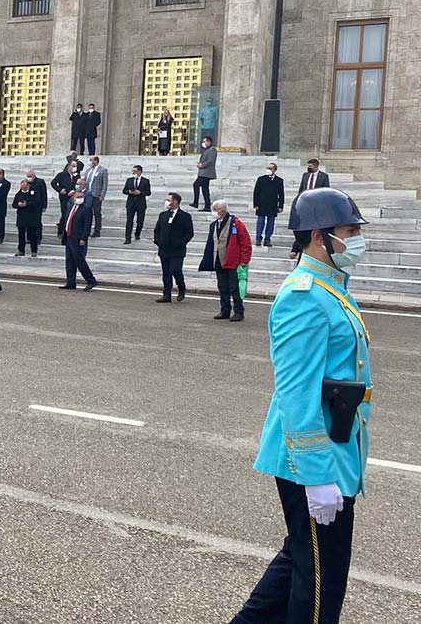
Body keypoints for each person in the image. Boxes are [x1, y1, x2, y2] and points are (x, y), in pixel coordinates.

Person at [230, 188, 371, 624]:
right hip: (312, 461)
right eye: (348, 232)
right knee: (319, 591)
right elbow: (295, 392)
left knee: (296, 567)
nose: (355, 241)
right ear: (318, 236)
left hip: (334, 453)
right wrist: (317, 477)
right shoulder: (305, 296)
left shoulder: (331, 288)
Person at [199, 200, 252, 322]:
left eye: (215, 209)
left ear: (222, 211)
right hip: (218, 261)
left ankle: (239, 311)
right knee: (222, 287)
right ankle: (225, 310)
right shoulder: (213, 225)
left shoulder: (236, 223)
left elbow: (245, 243)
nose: (213, 212)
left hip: (233, 261)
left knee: (235, 287)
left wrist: (244, 260)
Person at [153, 192, 195, 302]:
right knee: (166, 272)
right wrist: (158, 241)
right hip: (164, 249)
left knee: (175, 270)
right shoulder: (163, 215)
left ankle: (181, 288)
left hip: (177, 250)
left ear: (175, 202)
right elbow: (157, 230)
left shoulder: (185, 216)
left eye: (169, 200)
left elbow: (189, 233)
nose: (167, 202)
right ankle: (166, 295)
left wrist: (181, 243)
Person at [59, 184, 97, 291]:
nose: (80, 199)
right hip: (69, 236)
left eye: (81, 197)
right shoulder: (70, 206)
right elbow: (67, 220)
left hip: (78, 238)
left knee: (80, 261)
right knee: (69, 260)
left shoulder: (86, 208)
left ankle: (91, 280)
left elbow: (87, 225)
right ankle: (71, 282)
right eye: (78, 197)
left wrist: (83, 239)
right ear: (73, 198)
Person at [253, 163, 285, 247]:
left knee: (271, 222)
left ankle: (267, 239)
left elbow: (281, 194)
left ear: (274, 170)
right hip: (262, 204)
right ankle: (258, 238)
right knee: (260, 222)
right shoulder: (261, 179)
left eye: (270, 168)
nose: (268, 169)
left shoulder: (279, 180)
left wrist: (280, 205)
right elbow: (256, 192)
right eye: (267, 168)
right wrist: (256, 204)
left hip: (272, 204)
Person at [12, 178, 42, 257]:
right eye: (22, 187)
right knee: (21, 235)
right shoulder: (18, 194)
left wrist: (27, 204)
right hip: (21, 217)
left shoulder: (33, 193)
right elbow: (14, 204)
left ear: (28, 186)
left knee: (32, 235)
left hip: (31, 217)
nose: (24, 188)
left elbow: (37, 202)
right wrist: (18, 204)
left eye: (25, 187)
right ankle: (21, 250)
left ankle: (34, 250)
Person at [122, 165, 151, 244]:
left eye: (135, 171)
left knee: (140, 220)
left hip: (140, 203)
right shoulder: (129, 180)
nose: (133, 172)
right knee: (129, 220)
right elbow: (124, 190)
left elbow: (148, 192)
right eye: (133, 171)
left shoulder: (145, 181)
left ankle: (137, 233)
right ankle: (128, 237)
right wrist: (129, 192)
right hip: (131, 203)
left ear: (139, 172)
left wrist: (140, 192)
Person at [83, 156, 109, 238]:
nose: (90, 162)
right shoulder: (88, 170)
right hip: (88, 194)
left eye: (91, 160)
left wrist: (102, 195)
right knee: (87, 213)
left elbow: (105, 183)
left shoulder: (103, 170)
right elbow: (85, 181)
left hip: (96, 195)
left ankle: (97, 230)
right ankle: (86, 229)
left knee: (97, 213)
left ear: (96, 161)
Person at [192, 136, 217, 210]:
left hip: (207, 173)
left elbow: (211, 160)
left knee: (196, 184)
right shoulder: (206, 150)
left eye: (205, 141)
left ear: (209, 142)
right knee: (205, 189)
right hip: (203, 172)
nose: (204, 143)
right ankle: (207, 206)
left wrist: (202, 165)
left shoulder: (212, 150)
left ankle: (196, 202)